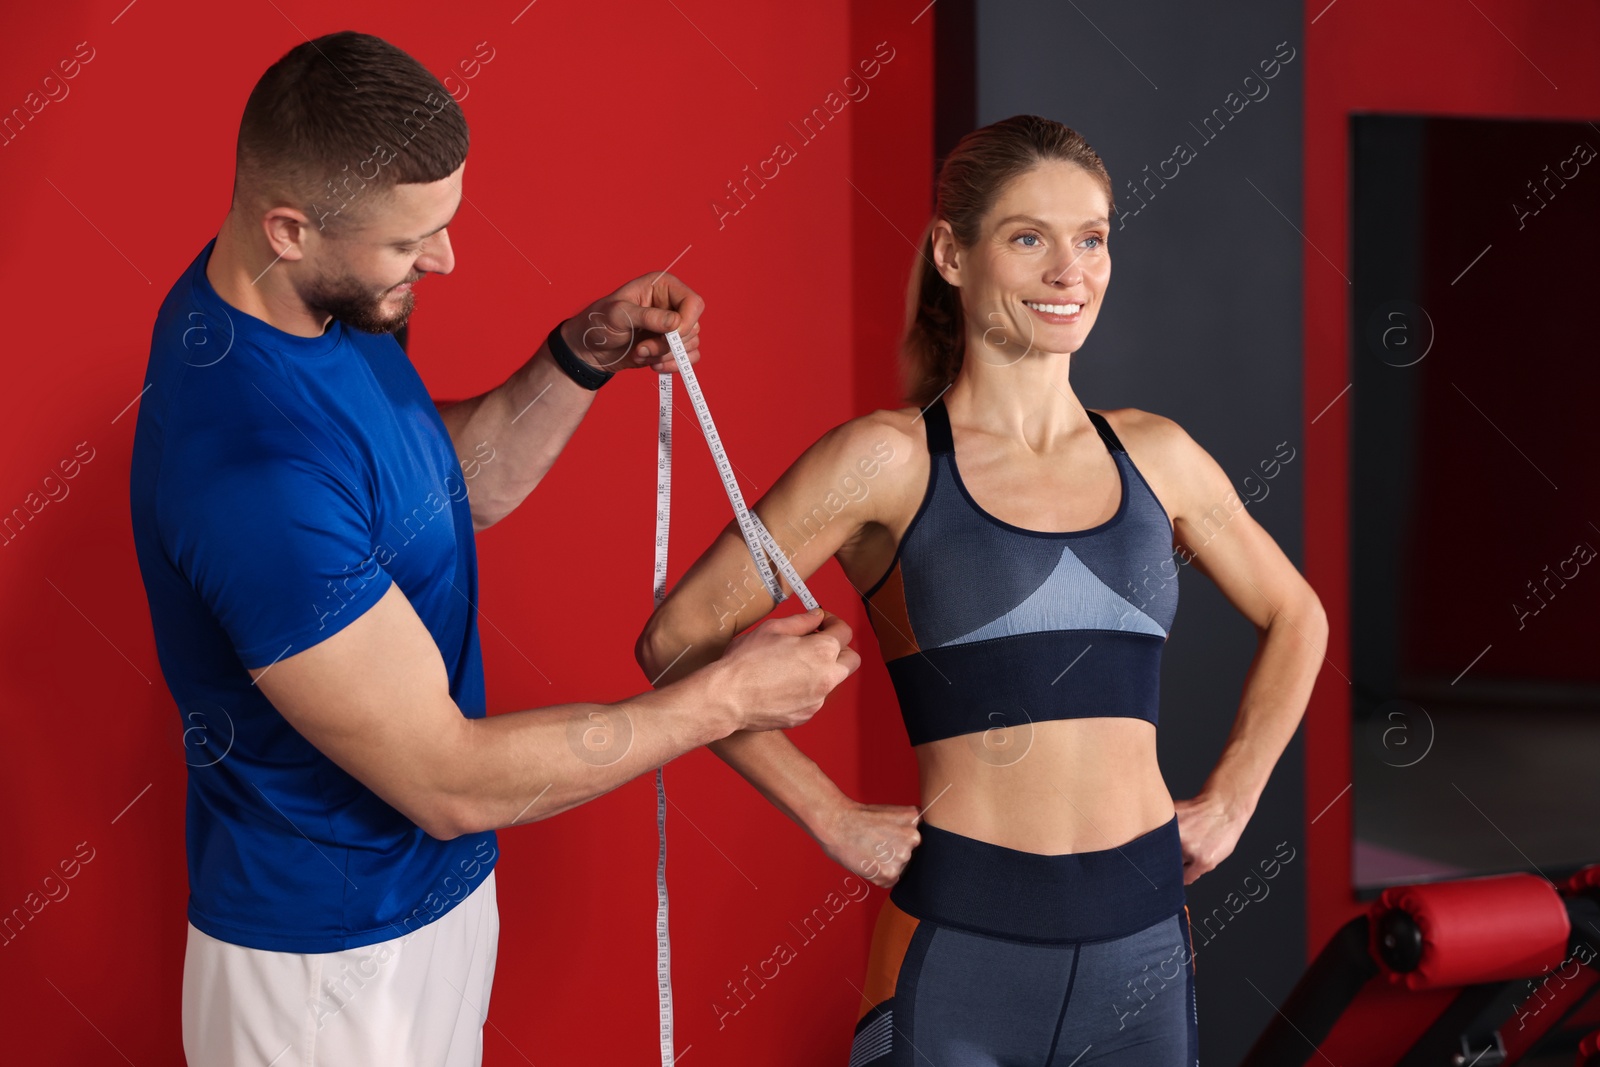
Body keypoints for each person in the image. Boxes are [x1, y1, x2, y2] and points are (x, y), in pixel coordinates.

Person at [128, 30, 859, 1067]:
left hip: (438, 902)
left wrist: (580, 355)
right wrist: (724, 699)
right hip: (319, 971)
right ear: (288, 228)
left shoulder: (327, 310)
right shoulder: (247, 469)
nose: (444, 260)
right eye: (409, 241)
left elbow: (437, 495)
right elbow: (447, 778)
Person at [635, 114, 1327, 1064]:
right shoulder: (885, 461)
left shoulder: (1156, 456)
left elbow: (1298, 614)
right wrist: (827, 811)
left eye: (1091, 239)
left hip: (1146, 951)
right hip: (960, 955)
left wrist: (1235, 796)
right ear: (952, 254)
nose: (1069, 271)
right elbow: (676, 638)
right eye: (1029, 238)